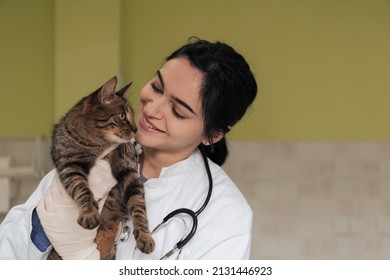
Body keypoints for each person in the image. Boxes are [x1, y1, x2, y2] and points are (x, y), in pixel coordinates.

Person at [0, 38, 258, 260]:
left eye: (178, 111)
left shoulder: (226, 216)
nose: (152, 109)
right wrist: (41, 229)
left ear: (212, 135)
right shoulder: (93, 153)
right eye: (156, 87)